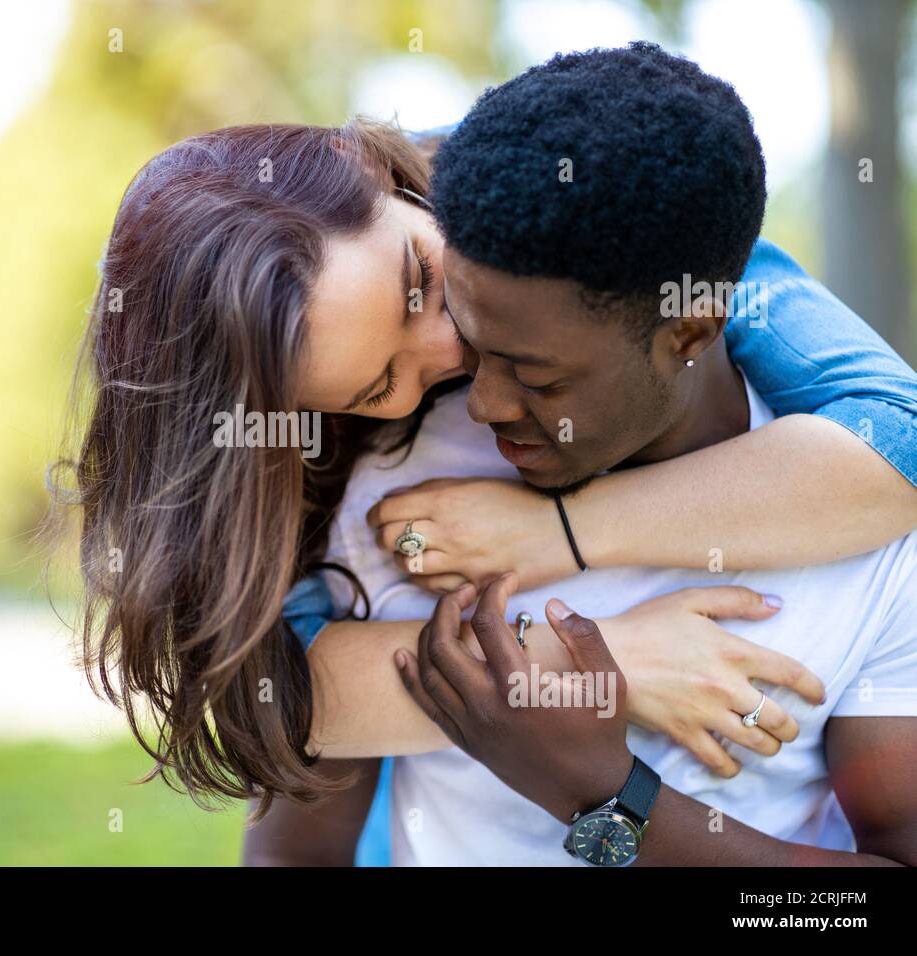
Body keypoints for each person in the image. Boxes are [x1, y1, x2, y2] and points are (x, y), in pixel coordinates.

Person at [57, 68, 917, 851]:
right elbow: (278, 700)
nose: (456, 349)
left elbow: (900, 438)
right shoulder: (377, 488)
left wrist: (557, 533)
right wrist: (587, 665)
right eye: (376, 384)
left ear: (380, 174)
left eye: (419, 284)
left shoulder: (576, 214)